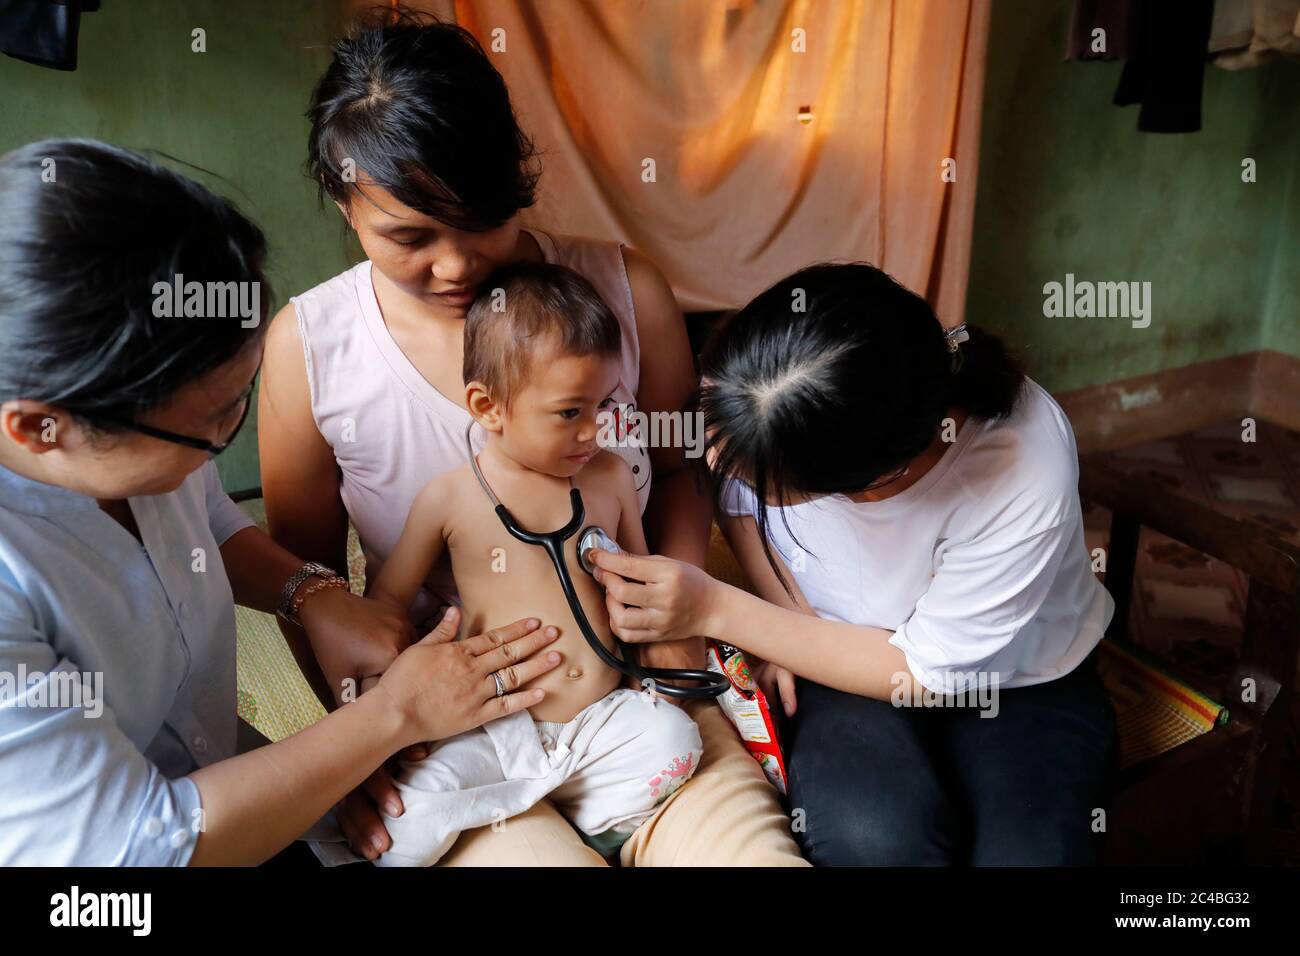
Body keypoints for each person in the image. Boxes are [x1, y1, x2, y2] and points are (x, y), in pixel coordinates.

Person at [260, 12, 805, 865]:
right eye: (408, 236)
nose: (455, 266)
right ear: (344, 199)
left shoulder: (624, 290)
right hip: (452, 727)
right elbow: (311, 584)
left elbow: (678, 465)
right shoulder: (310, 347)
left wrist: (675, 616)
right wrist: (362, 733)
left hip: (635, 688)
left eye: (480, 220)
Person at [0, 139, 563, 866]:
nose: (228, 434)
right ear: (42, 427)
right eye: (214, 421)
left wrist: (313, 594)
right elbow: (138, 845)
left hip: (219, 773)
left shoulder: (134, 435)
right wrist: (391, 719)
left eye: (243, 394)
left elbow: (208, 517)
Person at [590, 263, 1121, 865]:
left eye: (753, 475)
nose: (712, 462)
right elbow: (735, 506)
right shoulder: (798, 369)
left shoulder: (1019, 469)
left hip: (1021, 680)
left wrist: (718, 607)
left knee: (1030, 854)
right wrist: (786, 626)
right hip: (840, 657)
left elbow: (921, 674)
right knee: (872, 841)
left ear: (868, 484)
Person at [328, 262, 700, 866]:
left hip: (600, 717)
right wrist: (377, 692)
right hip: (495, 724)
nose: (594, 430)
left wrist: (657, 653)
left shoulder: (609, 478)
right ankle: (532, 803)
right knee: (404, 833)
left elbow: (640, 572)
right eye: (568, 412)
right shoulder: (448, 499)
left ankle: (562, 817)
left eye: (603, 404)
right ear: (488, 406)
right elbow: (386, 607)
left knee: (674, 742)